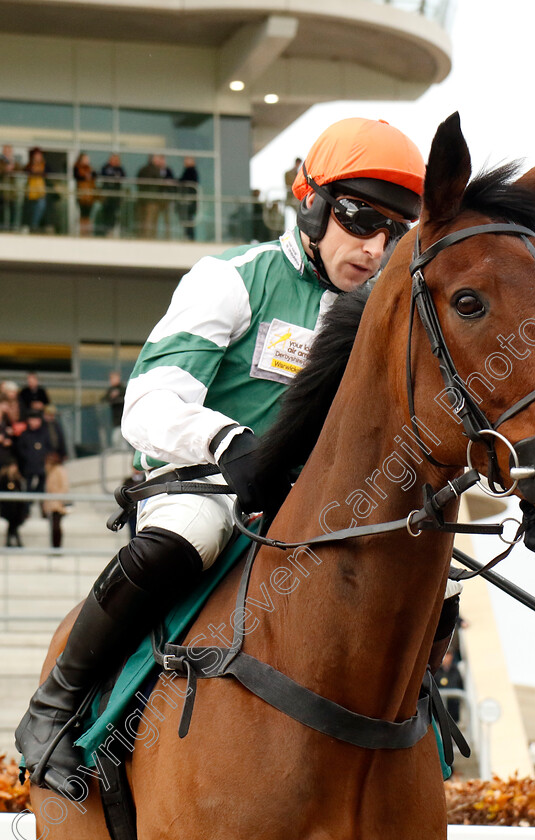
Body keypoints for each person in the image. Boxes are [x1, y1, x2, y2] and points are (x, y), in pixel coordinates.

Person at [15, 116, 425, 797]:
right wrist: (226, 441)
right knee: (193, 534)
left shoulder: (385, 316)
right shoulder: (233, 279)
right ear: (314, 205)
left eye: (396, 231)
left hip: (312, 504)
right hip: (203, 484)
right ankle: (52, 709)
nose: (375, 246)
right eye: (359, 219)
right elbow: (147, 402)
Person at [14, 410, 51, 498]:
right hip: (29, 467)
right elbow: (20, 449)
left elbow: (48, 447)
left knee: (41, 488)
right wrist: (28, 457)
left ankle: (42, 508)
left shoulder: (44, 433)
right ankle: (27, 508)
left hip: (41, 466)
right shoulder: (25, 434)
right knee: (28, 489)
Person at [0, 461, 29, 547]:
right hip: (7, 507)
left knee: (14, 523)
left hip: (17, 508)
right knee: (13, 523)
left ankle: (12, 541)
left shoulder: (17, 479)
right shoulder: (4, 479)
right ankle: (15, 542)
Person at [43, 453, 69, 548]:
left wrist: (58, 500)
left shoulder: (59, 471)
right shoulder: (50, 472)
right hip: (52, 503)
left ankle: (57, 547)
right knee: (53, 526)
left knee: (56, 526)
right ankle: (54, 546)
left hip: (57, 504)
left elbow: (64, 487)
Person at [97, 153, 125, 236]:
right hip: (107, 195)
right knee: (106, 213)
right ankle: (104, 231)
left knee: (114, 214)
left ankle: (112, 230)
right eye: (114, 159)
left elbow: (123, 177)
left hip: (115, 196)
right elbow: (103, 176)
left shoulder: (120, 169)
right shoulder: (105, 167)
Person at [135, 154, 161, 238]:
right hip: (152, 200)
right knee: (150, 220)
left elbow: (138, 182)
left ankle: (142, 235)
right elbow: (160, 184)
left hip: (142, 198)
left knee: (142, 219)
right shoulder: (156, 171)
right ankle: (149, 237)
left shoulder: (142, 170)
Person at [23, 148, 48, 232]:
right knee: (31, 211)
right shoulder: (29, 165)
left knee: (40, 208)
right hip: (31, 192)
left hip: (40, 192)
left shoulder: (44, 165)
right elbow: (27, 171)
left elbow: (47, 173)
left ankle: (34, 226)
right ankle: (30, 226)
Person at [73, 153, 97, 236]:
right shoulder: (77, 168)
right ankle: (82, 231)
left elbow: (94, 176)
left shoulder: (91, 169)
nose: (87, 161)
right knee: (83, 214)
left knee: (88, 214)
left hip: (90, 195)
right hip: (81, 195)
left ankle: (87, 231)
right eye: (85, 159)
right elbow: (77, 176)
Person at [178, 156, 199, 240]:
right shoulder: (190, 171)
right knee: (188, 218)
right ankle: (188, 235)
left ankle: (189, 236)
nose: (185, 161)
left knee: (188, 218)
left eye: (187, 160)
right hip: (189, 200)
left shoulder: (191, 171)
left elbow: (184, 181)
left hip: (189, 201)